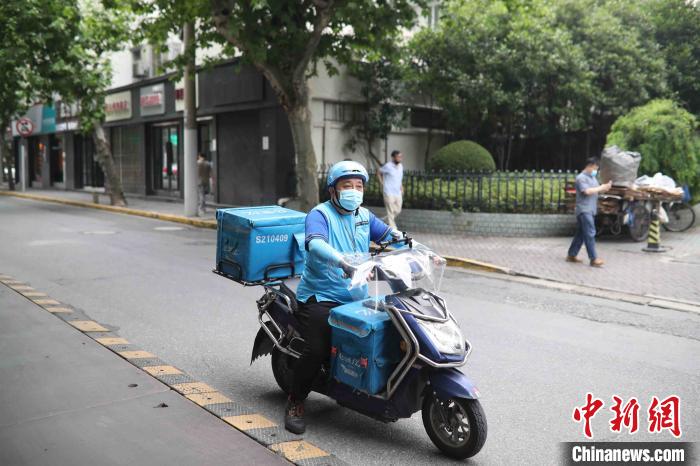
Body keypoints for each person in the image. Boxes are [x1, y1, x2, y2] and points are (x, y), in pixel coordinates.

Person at [285, 160, 400, 434]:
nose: (353, 191)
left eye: (358, 186)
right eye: (347, 185)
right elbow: (315, 243)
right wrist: (344, 262)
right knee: (317, 349)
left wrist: (419, 248)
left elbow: (390, 236)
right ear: (333, 190)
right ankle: (295, 401)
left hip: (356, 297)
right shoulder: (319, 214)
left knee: (392, 328)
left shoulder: (363, 216)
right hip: (320, 296)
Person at [566, 157, 612, 267]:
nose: (596, 170)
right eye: (596, 168)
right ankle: (593, 259)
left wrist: (605, 188)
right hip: (584, 210)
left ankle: (571, 255)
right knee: (590, 233)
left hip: (590, 210)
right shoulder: (581, 178)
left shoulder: (593, 178)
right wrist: (601, 187)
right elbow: (587, 191)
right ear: (590, 166)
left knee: (581, 234)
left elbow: (596, 190)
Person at [378, 150, 404, 229]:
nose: (400, 158)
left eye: (401, 157)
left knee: (398, 210)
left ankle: (383, 221)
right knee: (390, 211)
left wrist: (401, 187)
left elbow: (399, 178)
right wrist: (381, 183)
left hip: (397, 192)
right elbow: (379, 172)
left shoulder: (401, 166)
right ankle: (394, 229)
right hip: (388, 192)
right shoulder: (388, 166)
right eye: (398, 157)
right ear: (393, 157)